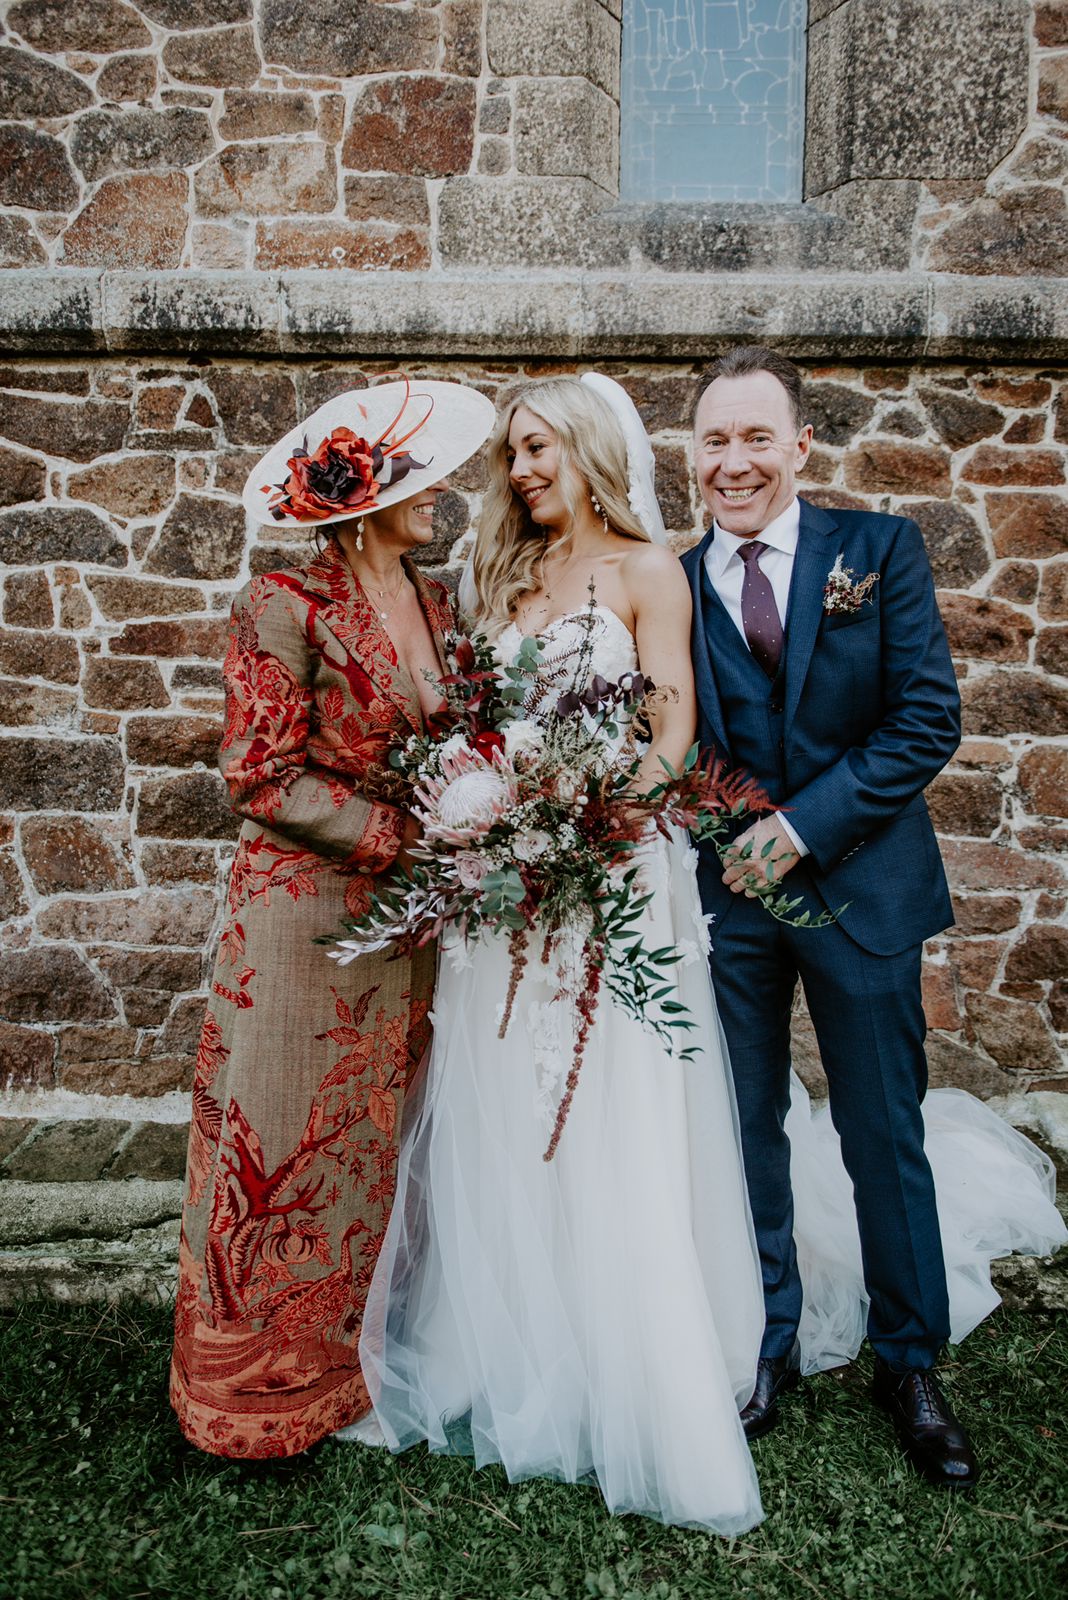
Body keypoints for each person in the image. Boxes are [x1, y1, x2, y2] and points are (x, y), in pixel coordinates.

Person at [358, 375, 768, 1533]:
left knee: (612, 1110)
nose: (521, 470)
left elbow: (674, 729)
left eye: (537, 448)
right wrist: (494, 812)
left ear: (589, 448)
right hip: (504, 886)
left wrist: (586, 820)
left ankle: (629, 1355)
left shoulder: (650, 572)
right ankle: (509, 1343)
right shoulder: (505, 576)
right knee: (505, 1105)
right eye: (513, 454)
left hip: (606, 873)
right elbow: (474, 725)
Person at [681, 345, 1066, 1484]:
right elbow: (674, 739)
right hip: (732, 904)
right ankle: (769, 1340)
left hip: (859, 891)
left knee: (880, 1136)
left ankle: (908, 1359)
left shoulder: (879, 552)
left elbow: (923, 720)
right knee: (741, 1130)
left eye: (757, 437)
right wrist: (722, 836)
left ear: (802, 445)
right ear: (689, 454)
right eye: (714, 439)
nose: (734, 461)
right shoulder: (673, 577)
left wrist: (796, 830)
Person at [169, 378, 495, 1459]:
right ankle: (248, 1390)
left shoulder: (441, 603)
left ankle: (347, 1358)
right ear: (367, 501)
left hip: (407, 927)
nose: (439, 494)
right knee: (278, 1143)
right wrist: (405, 835)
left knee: (366, 1144)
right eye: (420, 482)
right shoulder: (283, 602)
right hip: (296, 922)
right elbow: (258, 772)